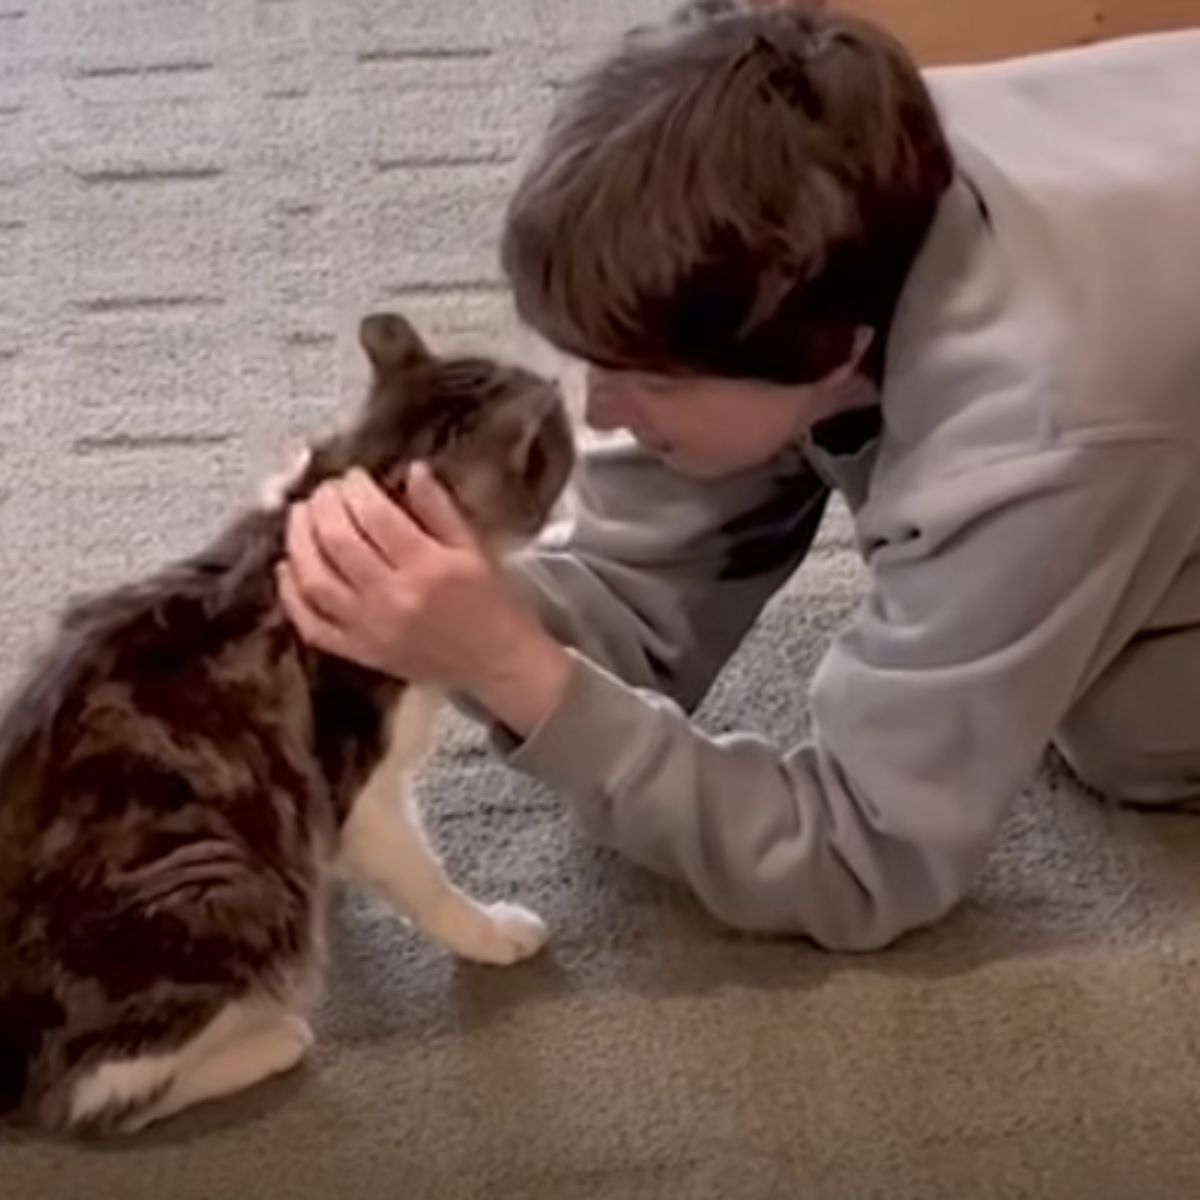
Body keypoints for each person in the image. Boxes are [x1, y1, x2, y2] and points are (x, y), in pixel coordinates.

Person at [276, 2, 1200, 951]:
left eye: (648, 381)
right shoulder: (806, 188)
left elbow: (860, 859)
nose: (598, 412)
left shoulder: (1034, 433)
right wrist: (431, 593)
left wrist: (518, 670)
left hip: (1111, 397)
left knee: (1136, 718)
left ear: (834, 350)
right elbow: (633, 612)